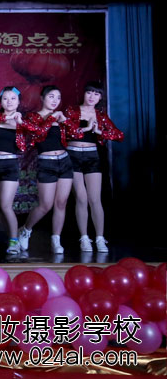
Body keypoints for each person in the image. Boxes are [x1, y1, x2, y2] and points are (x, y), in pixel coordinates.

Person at [64, 81, 124, 253]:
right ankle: (84, 238)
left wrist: (98, 132)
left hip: (92, 156)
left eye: (96, 94)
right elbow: (67, 131)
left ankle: (99, 238)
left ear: (100, 98)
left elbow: (119, 135)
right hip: (73, 155)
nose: (92, 97)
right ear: (84, 93)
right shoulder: (72, 111)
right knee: (81, 198)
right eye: (89, 92)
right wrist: (87, 128)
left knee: (95, 199)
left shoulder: (101, 116)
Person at [17, 86, 73, 255]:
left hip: (64, 161)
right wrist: (52, 118)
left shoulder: (60, 117)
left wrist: (65, 121)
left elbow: (77, 134)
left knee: (61, 203)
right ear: (42, 98)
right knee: (45, 205)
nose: (55, 100)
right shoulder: (33, 117)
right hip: (47, 163)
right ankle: (26, 230)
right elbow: (39, 133)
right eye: (51, 96)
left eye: (58, 97)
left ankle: (56, 239)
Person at [0, 87, 34, 256]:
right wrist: (8, 117)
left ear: (19, 102)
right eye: (5, 98)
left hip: (9, 165)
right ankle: (2, 237)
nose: (9, 102)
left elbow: (35, 130)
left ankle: (14, 240)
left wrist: (20, 121)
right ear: (1, 101)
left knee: (6, 205)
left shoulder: (23, 121)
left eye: (13, 98)